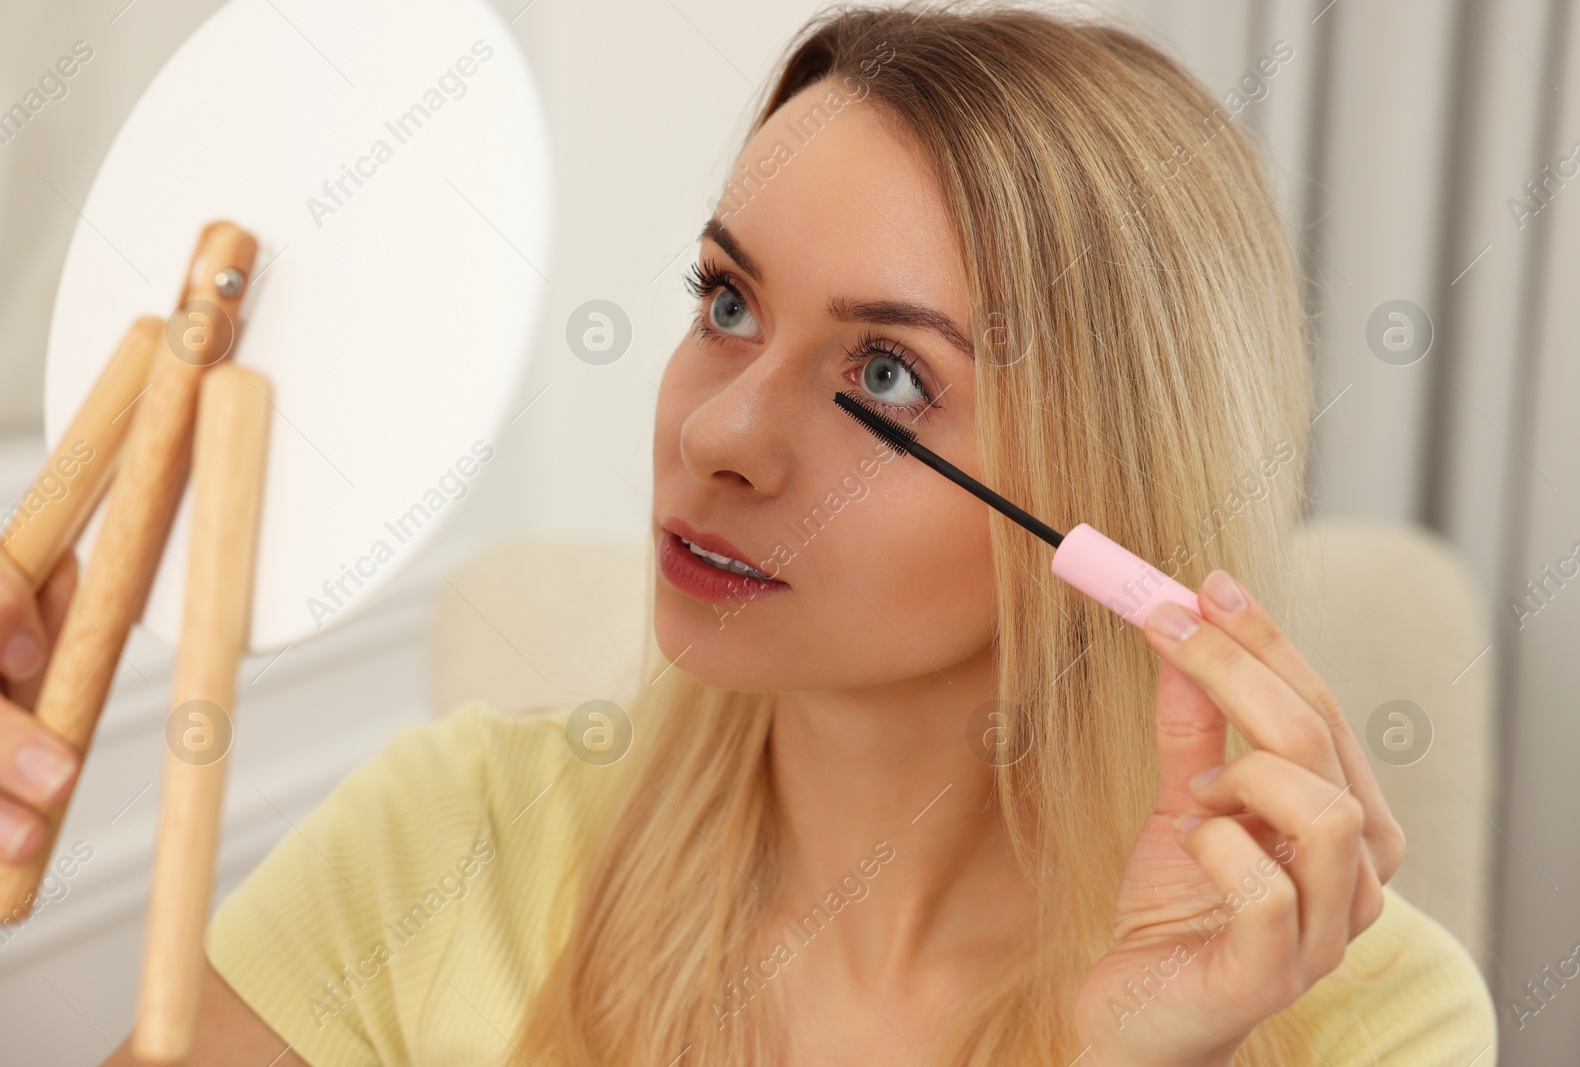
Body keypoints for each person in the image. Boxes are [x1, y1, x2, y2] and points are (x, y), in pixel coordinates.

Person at [60, 3, 1500, 1064]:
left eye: (886, 376)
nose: (715, 434)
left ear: (1117, 497)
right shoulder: (449, 842)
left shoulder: (1367, 1019)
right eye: (726, 303)